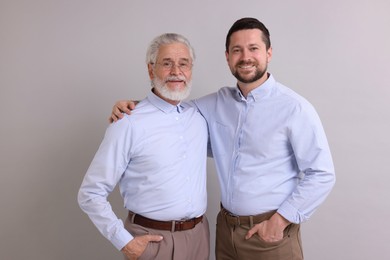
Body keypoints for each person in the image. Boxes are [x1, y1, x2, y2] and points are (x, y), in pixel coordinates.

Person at [111, 17, 336, 260]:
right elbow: (170, 107)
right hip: (225, 234)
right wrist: (133, 107)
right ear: (227, 56)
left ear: (269, 53)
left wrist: (281, 221)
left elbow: (322, 174)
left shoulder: (295, 109)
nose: (245, 57)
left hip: (270, 236)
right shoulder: (213, 104)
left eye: (253, 48)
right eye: (237, 50)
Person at [78, 33, 210, 260]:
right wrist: (125, 242)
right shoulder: (128, 123)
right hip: (153, 242)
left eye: (183, 64)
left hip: (199, 239)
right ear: (151, 70)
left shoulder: (199, 117)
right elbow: (90, 193)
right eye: (167, 63)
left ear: (191, 70)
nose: (176, 72)